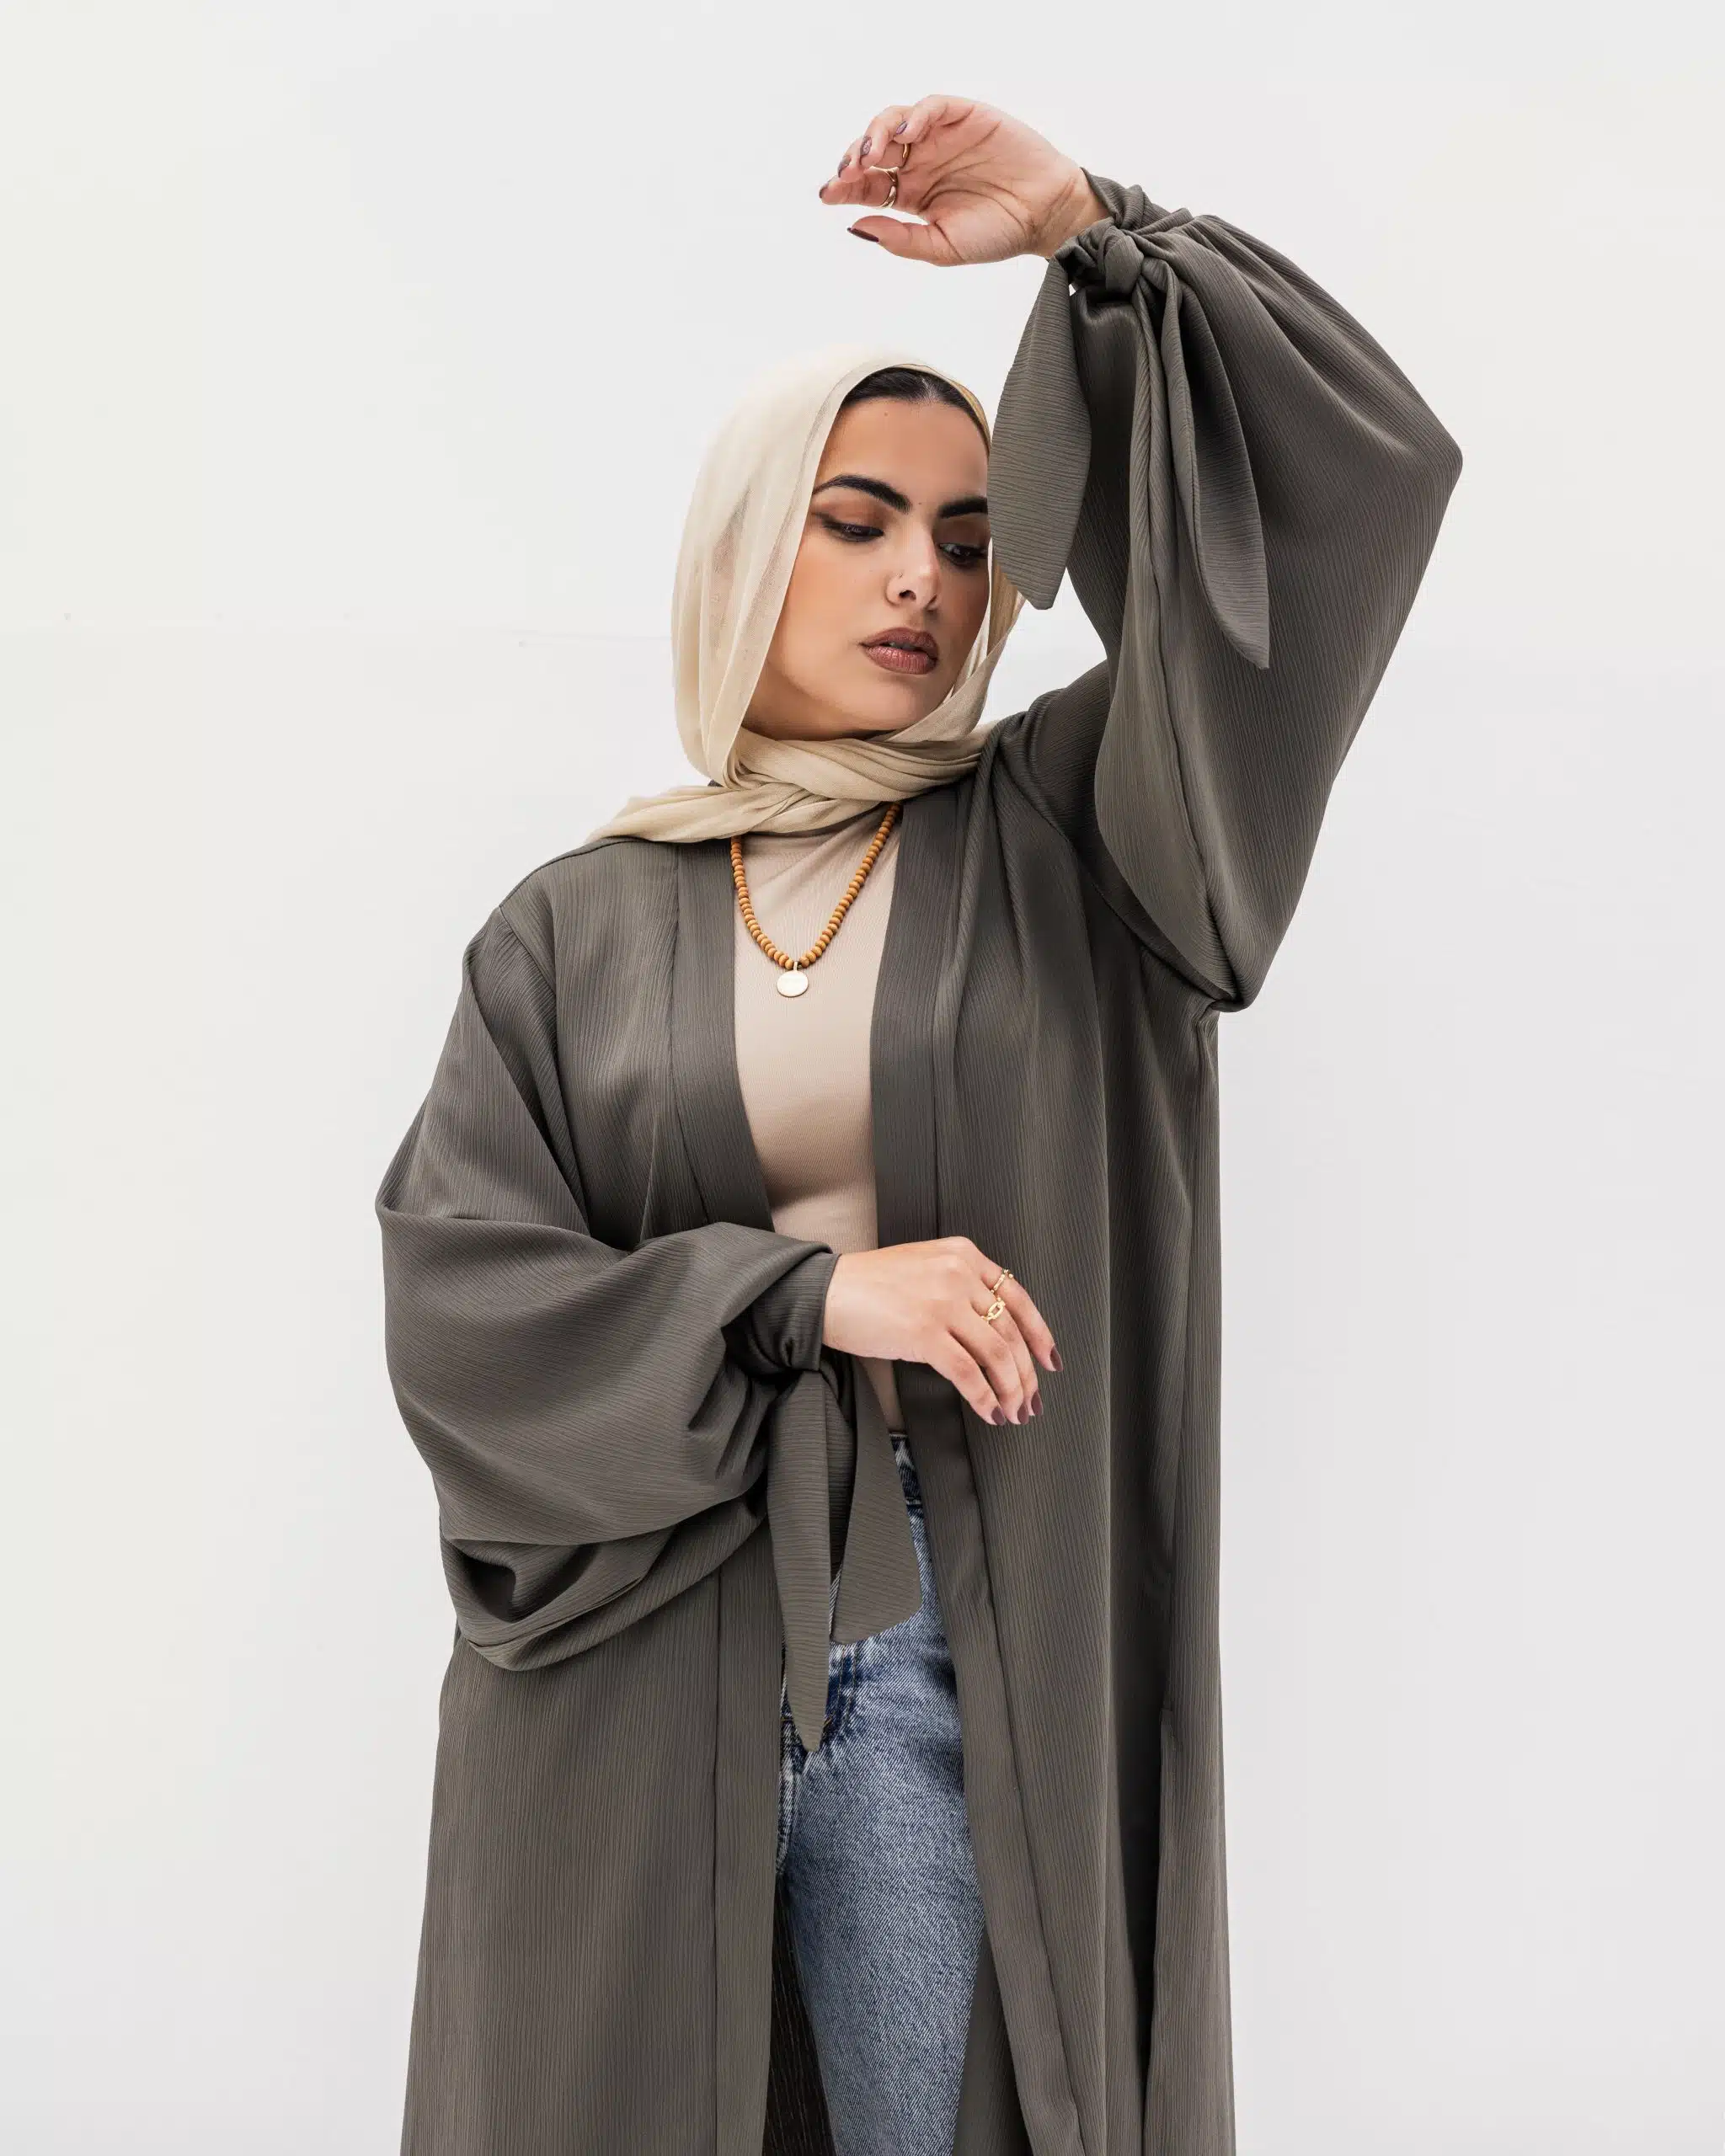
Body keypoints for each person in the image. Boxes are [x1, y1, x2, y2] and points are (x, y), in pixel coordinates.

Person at [374, 93, 1461, 2156]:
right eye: (858, 519)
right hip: (633, 1678)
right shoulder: (570, 929)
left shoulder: (1080, 842)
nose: (923, 581)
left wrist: (1094, 236)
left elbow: (1341, 503)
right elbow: (463, 1316)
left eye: (971, 540)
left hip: (957, 1668)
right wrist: (806, 1294)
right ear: (741, 546)